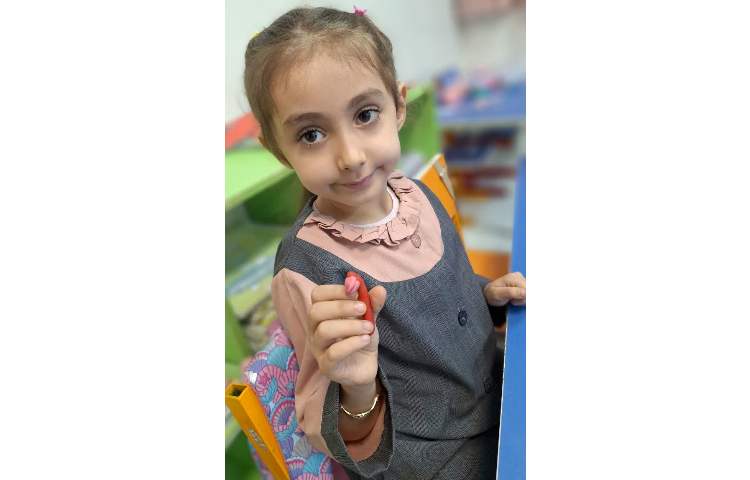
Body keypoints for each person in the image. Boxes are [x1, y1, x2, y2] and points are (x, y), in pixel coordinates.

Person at [243, 6, 526, 479]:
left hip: (497, 386)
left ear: (399, 106)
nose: (350, 156)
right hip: (433, 457)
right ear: (278, 149)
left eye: (365, 114)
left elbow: (443, 292)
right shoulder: (307, 270)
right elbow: (327, 430)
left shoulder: (414, 194)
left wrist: (484, 295)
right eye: (311, 134)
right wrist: (357, 388)